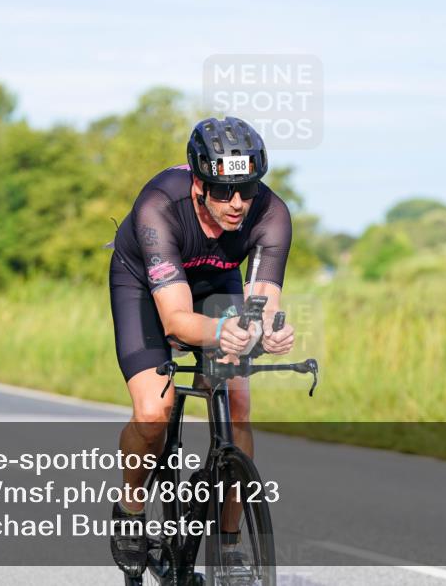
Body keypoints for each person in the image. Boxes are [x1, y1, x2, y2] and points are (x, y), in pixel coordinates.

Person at [107, 117, 296, 575]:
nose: (237, 204)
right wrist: (221, 333)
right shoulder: (159, 205)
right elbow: (174, 321)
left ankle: (228, 545)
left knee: (238, 405)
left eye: (247, 190)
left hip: (216, 282)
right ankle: (131, 511)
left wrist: (266, 331)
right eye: (222, 191)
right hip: (146, 288)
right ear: (198, 183)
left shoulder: (272, 214)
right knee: (154, 412)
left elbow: (263, 302)